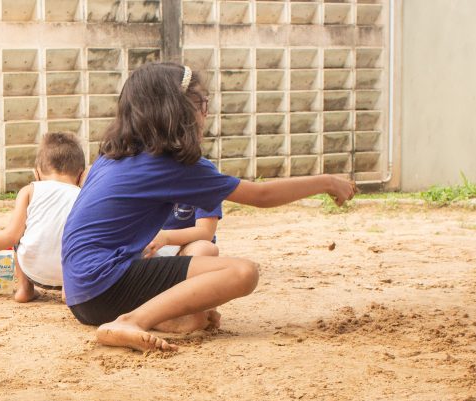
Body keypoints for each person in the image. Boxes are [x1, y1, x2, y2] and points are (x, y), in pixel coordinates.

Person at [61, 61, 355, 352]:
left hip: (80, 296)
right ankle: (131, 321)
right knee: (243, 272)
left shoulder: (110, 157)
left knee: (201, 300)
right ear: (177, 110)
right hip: (105, 286)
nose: (205, 111)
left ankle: (170, 317)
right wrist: (327, 182)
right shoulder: (171, 166)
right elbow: (262, 195)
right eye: (201, 102)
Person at [0, 131, 84, 302]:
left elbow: (10, 236)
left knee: (21, 234)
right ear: (81, 175)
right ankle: (68, 291)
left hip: (33, 267)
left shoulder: (30, 191)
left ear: (37, 173)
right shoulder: (82, 195)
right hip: (67, 272)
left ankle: (25, 288)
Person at [144, 177, 223, 258]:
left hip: (187, 244)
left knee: (204, 248)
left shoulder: (205, 179)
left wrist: (166, 237)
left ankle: (186, 269)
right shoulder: (146, 178)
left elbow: (206, 232)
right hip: (151, 245)